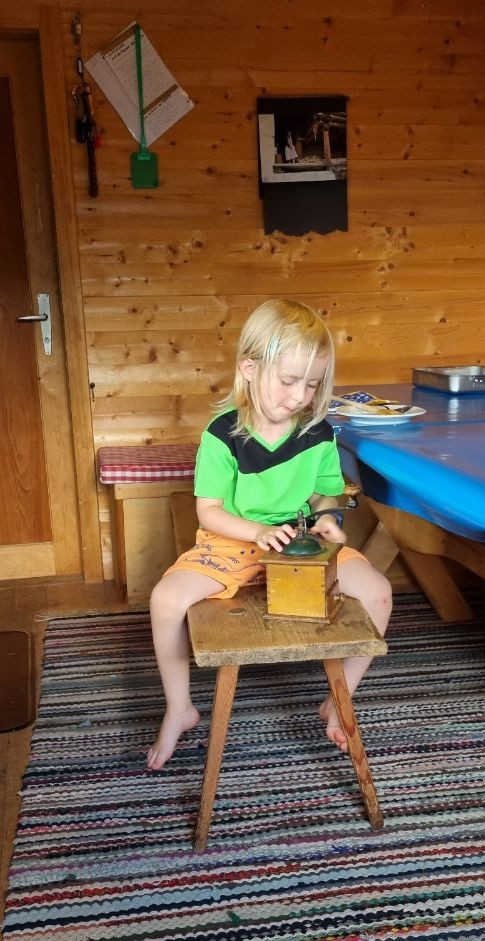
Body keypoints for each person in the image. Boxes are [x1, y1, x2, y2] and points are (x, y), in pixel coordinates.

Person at [147, 299, 392, 770]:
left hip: (301, 544)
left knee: (379, 594)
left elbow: (325, 495)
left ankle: (337, 699)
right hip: (233, 543)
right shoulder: (222, 435)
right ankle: (180, 708)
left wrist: (329, 519)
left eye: (312, 383)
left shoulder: (319, 432)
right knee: (165, 600)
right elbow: (210, 512)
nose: (300, 396)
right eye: (288, 380)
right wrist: (258, 530)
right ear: (249, 368)